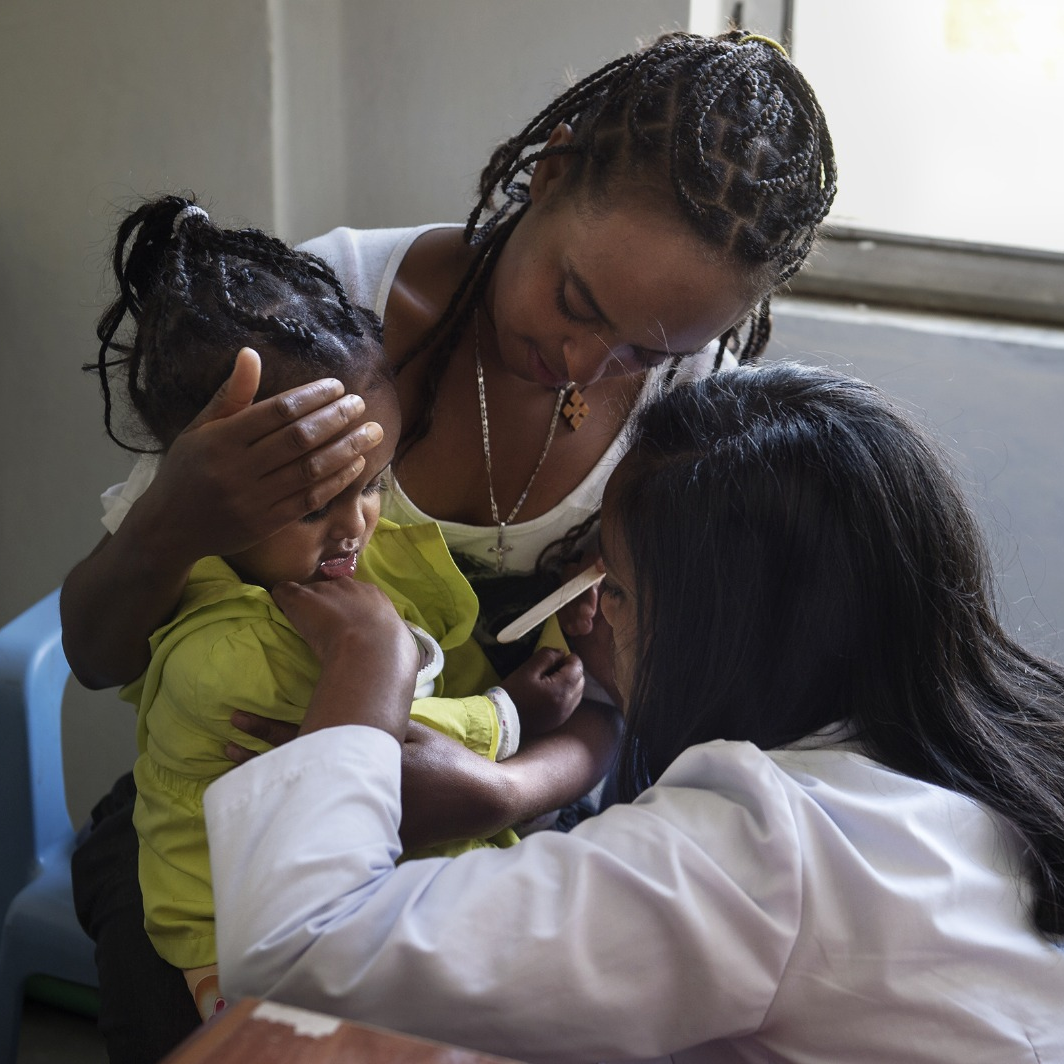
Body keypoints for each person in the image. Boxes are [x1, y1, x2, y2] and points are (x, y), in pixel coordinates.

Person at [64, 28, 836, 1061]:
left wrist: (505, 785)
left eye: (647, 347)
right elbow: (94, 651)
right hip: (211, 812)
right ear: (550, 168)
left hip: (513, 807)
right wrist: (176, 516)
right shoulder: (325, 322)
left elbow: (620, 697)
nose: (581, 362)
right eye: (575, 300)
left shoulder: (681, 408)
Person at [206, 361, 1064, 1063]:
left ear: (715, 632)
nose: (596, 613)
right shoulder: (1000, 745)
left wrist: (368, 666)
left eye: (615, 587)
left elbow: (299, 962)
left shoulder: (761, 850)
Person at [75, 197, 594, 1031]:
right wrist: (507, 715)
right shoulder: (238, 648)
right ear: (218, 491)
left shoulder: (327, 556)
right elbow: (390, 738)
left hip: (344, 857)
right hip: (241, 937)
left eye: (376, 482)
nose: (357, 524)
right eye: (317, 505)